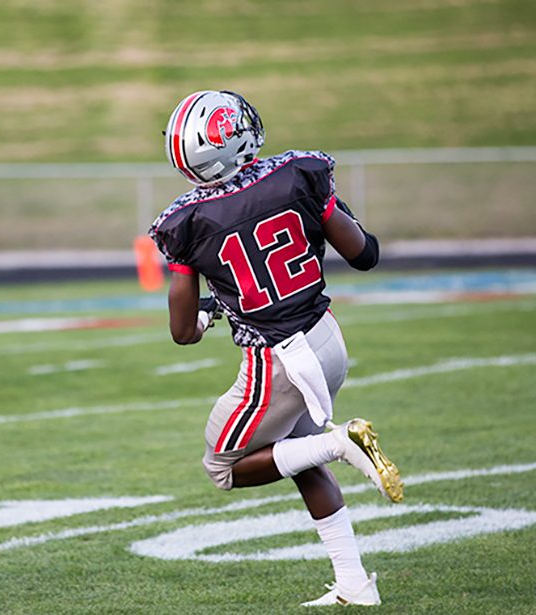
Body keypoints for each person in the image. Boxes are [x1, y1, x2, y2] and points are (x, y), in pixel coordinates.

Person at [149, 90, 404, 607]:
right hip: (326, 339)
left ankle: (342, 443)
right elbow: (364, 254)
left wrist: (204, 313)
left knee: (222, 467)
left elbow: (182, 331)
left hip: (279, 362)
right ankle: (355, 584)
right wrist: (325, 210)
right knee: (296, 458)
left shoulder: (187, 222)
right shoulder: (298, 173)